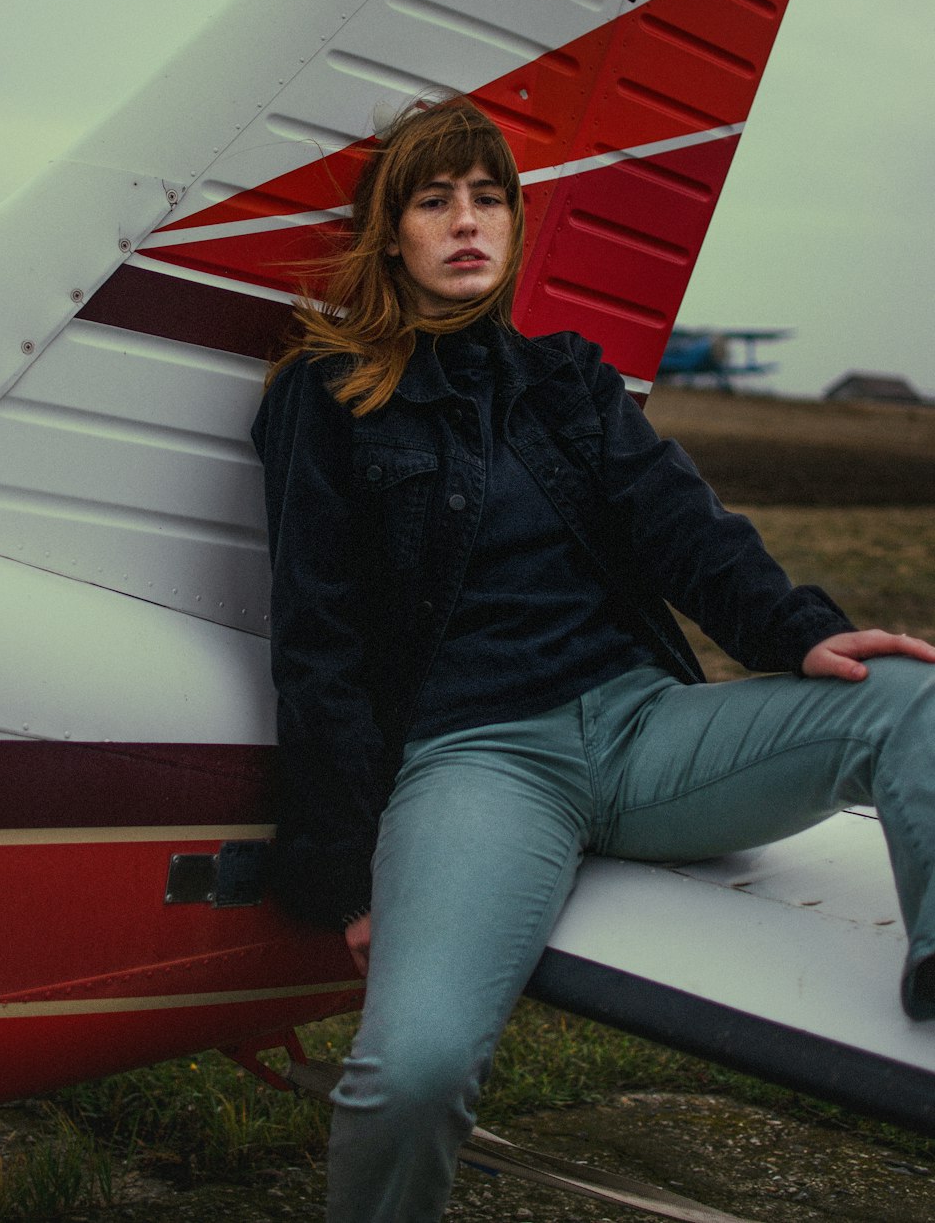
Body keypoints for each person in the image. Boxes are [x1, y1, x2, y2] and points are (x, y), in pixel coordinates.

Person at [251, 96, 935, 1223]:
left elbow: (685, 530)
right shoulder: (323, 399)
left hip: (641, 730)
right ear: (391, 233)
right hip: (478, 765)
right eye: (434, 201)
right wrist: (350, 862)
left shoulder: (565, 381)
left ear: (516, 226)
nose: (467, 222)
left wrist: (797, 629)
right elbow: (314, 643)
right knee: (410, 1069)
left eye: (489, 199)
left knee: (904, 693)